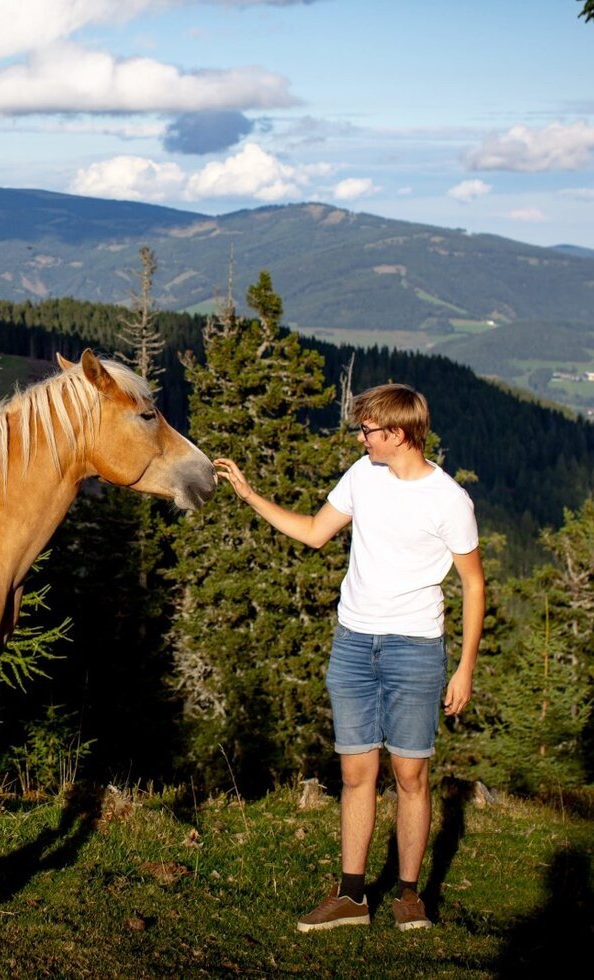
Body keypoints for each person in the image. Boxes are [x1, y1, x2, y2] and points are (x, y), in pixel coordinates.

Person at [214, 383, 484, 932]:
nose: (361, 438)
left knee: (411, 775)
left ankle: (409, 896)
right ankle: (352, 896)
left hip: (415, 648)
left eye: (368, 431)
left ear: (399, 435)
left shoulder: (450, 500)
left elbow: (474, 585)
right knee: (356, 771)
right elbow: (315, 533)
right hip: (354, 643)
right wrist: (250, 495)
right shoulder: (363, 476)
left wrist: (465, 667)